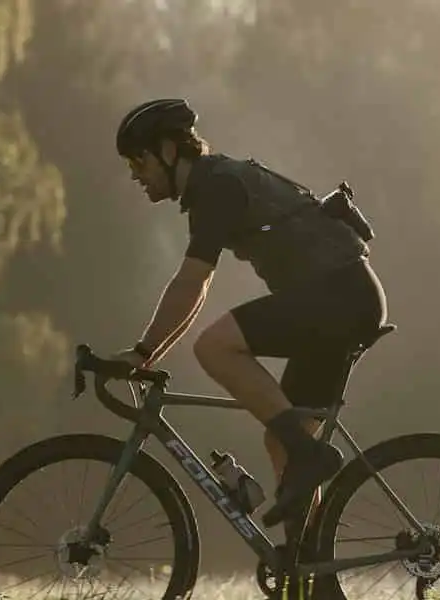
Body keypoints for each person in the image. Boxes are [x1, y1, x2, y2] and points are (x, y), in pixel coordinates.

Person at [107, 98, 388, 545]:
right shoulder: (214, 184)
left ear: (168, 150)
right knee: (282, 441)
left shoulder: (217, 186)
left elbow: (192, 280)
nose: (135, 175)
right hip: (344, 297)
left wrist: (143, 352)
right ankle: (311, 568)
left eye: (138, 161)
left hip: (338, 296)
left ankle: (309, 455)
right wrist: (147, 355)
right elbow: (197, 288)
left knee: (214, 347)